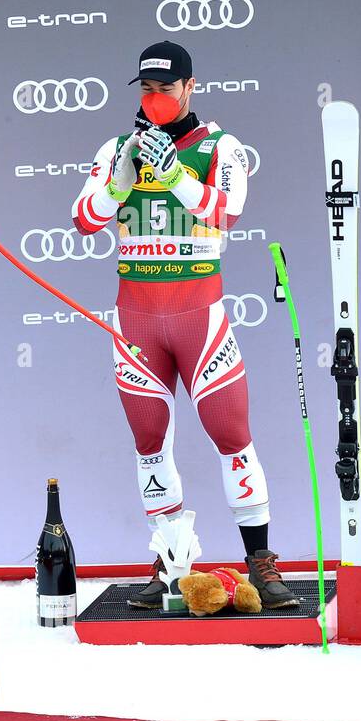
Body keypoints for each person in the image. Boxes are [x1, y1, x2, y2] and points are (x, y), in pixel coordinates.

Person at [71, 41, 295, 608]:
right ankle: (171, 567)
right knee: (149, 443)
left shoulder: (221, 147)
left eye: (165, 89)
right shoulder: (117, 147)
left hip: (200, 316)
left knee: (232, 436)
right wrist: (121, 179)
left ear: (189, 87)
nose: (155, 99)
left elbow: (226, 211)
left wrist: (175, 177)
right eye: (146, 89)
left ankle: (262, 565)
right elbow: (83, 220)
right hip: (137, 323)